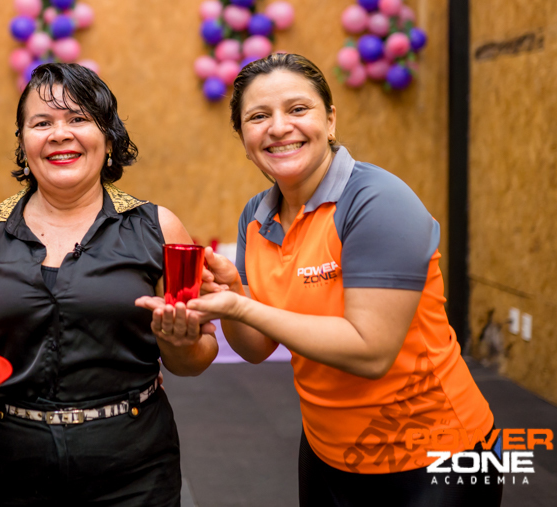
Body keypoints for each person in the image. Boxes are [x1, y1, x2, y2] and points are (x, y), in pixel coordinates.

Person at [185, 53, 502, 506]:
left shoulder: (378, 202)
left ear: (330, 120)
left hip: (434, 456)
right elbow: (255, 348)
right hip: (326, 450)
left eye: (298, 109)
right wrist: (232, 289)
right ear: (243, 138)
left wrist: (240, 305)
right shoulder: (256, 215)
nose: (278, 127)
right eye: (258, 116)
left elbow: (370, 350)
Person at [0, 62, 218, 507]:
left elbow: (193, 360)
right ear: (23, 144)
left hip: (133, 467)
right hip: (6, 467)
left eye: (77, 119)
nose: (59, 133)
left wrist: (181, 344)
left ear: (108, 138)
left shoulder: (158, 228)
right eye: (41, 122)